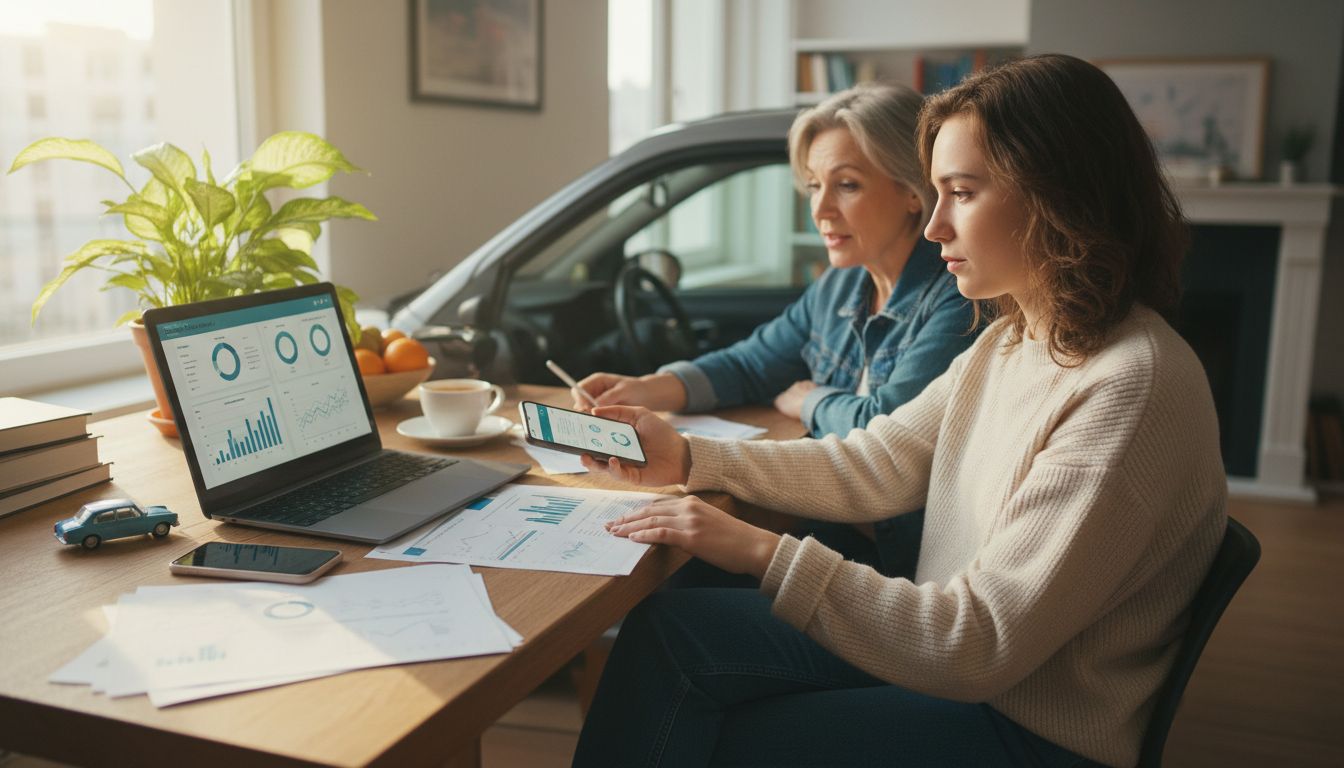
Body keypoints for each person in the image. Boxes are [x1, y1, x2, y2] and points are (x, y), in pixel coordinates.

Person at [571, 54, 1227, 768]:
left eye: (963, 193)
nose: (936, 225)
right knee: (673, 629)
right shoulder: (1014, 337)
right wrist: (689, 458)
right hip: (961, 659)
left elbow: (977, 644)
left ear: (1059, 196)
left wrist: (757, 548)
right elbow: (876, 462)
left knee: (722, 734)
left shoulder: (1129, 385)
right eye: (937, 192)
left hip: (1027, 722)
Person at [581, 83, 976, 582]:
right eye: (814, 186)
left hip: (897, 561)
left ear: (912, 193)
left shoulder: (957, 296)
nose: (820, 210)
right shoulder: (842, 282)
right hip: (839, 520)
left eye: (847, 185)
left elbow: (886, 431)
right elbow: (753, 362)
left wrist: (812, 400)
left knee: (681, 590)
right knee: (679, 574)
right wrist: (647, 388)